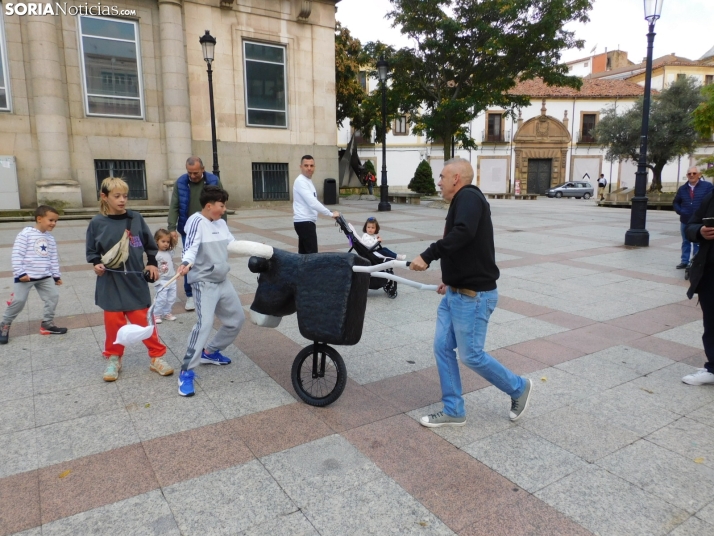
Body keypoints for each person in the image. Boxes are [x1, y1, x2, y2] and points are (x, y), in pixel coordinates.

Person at [409, 157, 532, 427]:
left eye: (442, 177)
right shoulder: (463, 201)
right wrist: (449, 279)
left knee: (471, 355)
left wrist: (428, 255)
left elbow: (462, 233)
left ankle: (519, 388)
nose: (438, 182)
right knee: (442, 348)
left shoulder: (469, 198)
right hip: (456, 293)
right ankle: (454, 409)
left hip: (473, 298)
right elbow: (465, 246)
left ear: (456, 178)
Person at [87, 177, 174, 382]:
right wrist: (96, 264)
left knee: (144, 321)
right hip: (110, 281)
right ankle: (114, 358)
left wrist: (151, 263)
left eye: (125, 196)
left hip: (135, 281)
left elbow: (148, 244)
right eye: (116, 196)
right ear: (104, 196)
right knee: (113, 323)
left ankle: (157, 357)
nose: (122, 200)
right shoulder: (97, 222)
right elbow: (91, 251)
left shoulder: (135, 218)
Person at [176, 186, 246, 397]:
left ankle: (211, 352)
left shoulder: (221, 223)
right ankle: (186, 373)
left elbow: (233, 244)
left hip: (222, 280)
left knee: (236, 319)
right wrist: (187, 262)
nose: (224, 210)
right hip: (204, 282)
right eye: (221, 205)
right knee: (204, 325)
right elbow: (191, 246)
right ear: (209, 206)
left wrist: (257, 250)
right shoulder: (196, 222)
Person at [0, 205, 67, 344]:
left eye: (56, 221)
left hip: (45, 276)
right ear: (39, 219)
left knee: (53, 296)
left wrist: (56, 275)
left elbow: (53, 257)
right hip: (26, 276)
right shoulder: (25, 234)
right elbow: (17, 254)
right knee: (19, 301)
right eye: (51, 220)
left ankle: (47, 324)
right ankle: (5, 325)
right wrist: (20, 273)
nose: (54, 223)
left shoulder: (50, 238)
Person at [167, 156, 224, 311]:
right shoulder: (181, 182)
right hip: (188, 229)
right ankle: (190, 295)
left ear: (203, 169)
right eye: (189, 173)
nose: (192, 176)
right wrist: (172, 227)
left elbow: (221, 204)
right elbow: (174, 206)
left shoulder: (213, 180)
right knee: (189, 262)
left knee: (211, 260)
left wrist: (222, 227)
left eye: (196, 173)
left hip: (209, 228)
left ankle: (211, 292)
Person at [682, 184, 714, 386]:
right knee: (711, 321)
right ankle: (713, 367)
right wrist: (700, 231)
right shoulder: (711, 198)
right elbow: (689, 227)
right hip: (709, 272)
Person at [293, 155, 339, 254]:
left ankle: (302, 270)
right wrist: (330, 214)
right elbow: (312, 203)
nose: (309, 168)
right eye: (306, 165)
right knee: (312, 256)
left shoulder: (307, 181)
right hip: (305, 222)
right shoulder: (301, 181)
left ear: (314, 167)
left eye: (311, 165)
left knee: (304, 256)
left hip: (306, 222)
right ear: (300, 167)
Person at [673, 167, 713, 269]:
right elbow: (676, 202)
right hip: (685, 220)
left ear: (699, 174)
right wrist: (681, 211)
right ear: (687, 176)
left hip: (700, 221)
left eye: (694, 173)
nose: (692, 175)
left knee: (698, 241)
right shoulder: (682, 189)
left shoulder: (707, 187)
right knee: (686, 241)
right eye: (689, 174)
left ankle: (696, 262)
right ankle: (684, 261)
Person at [153, 229, 178, 324]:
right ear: (156, 241)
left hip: (172, 279)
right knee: (162, 298)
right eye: (163, 241)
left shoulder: (169, 252)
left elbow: (173, 246)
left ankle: (166, 312)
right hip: (161, 280)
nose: (166, 244)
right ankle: (156, 314)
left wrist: (174, 240)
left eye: (167, 242)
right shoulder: (155, 254)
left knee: (171, 297)